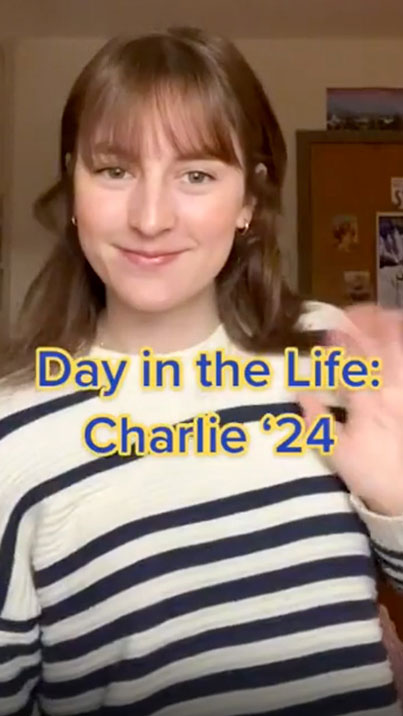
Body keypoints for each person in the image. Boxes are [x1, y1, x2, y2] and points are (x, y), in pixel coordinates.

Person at [0, 27, 403, 716]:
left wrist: (393, 499)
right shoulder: (14, 431)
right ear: (72, 187)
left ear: (248, 201)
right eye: (114, 170)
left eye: (196, 175)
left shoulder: (327, 351)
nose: (150, 218)